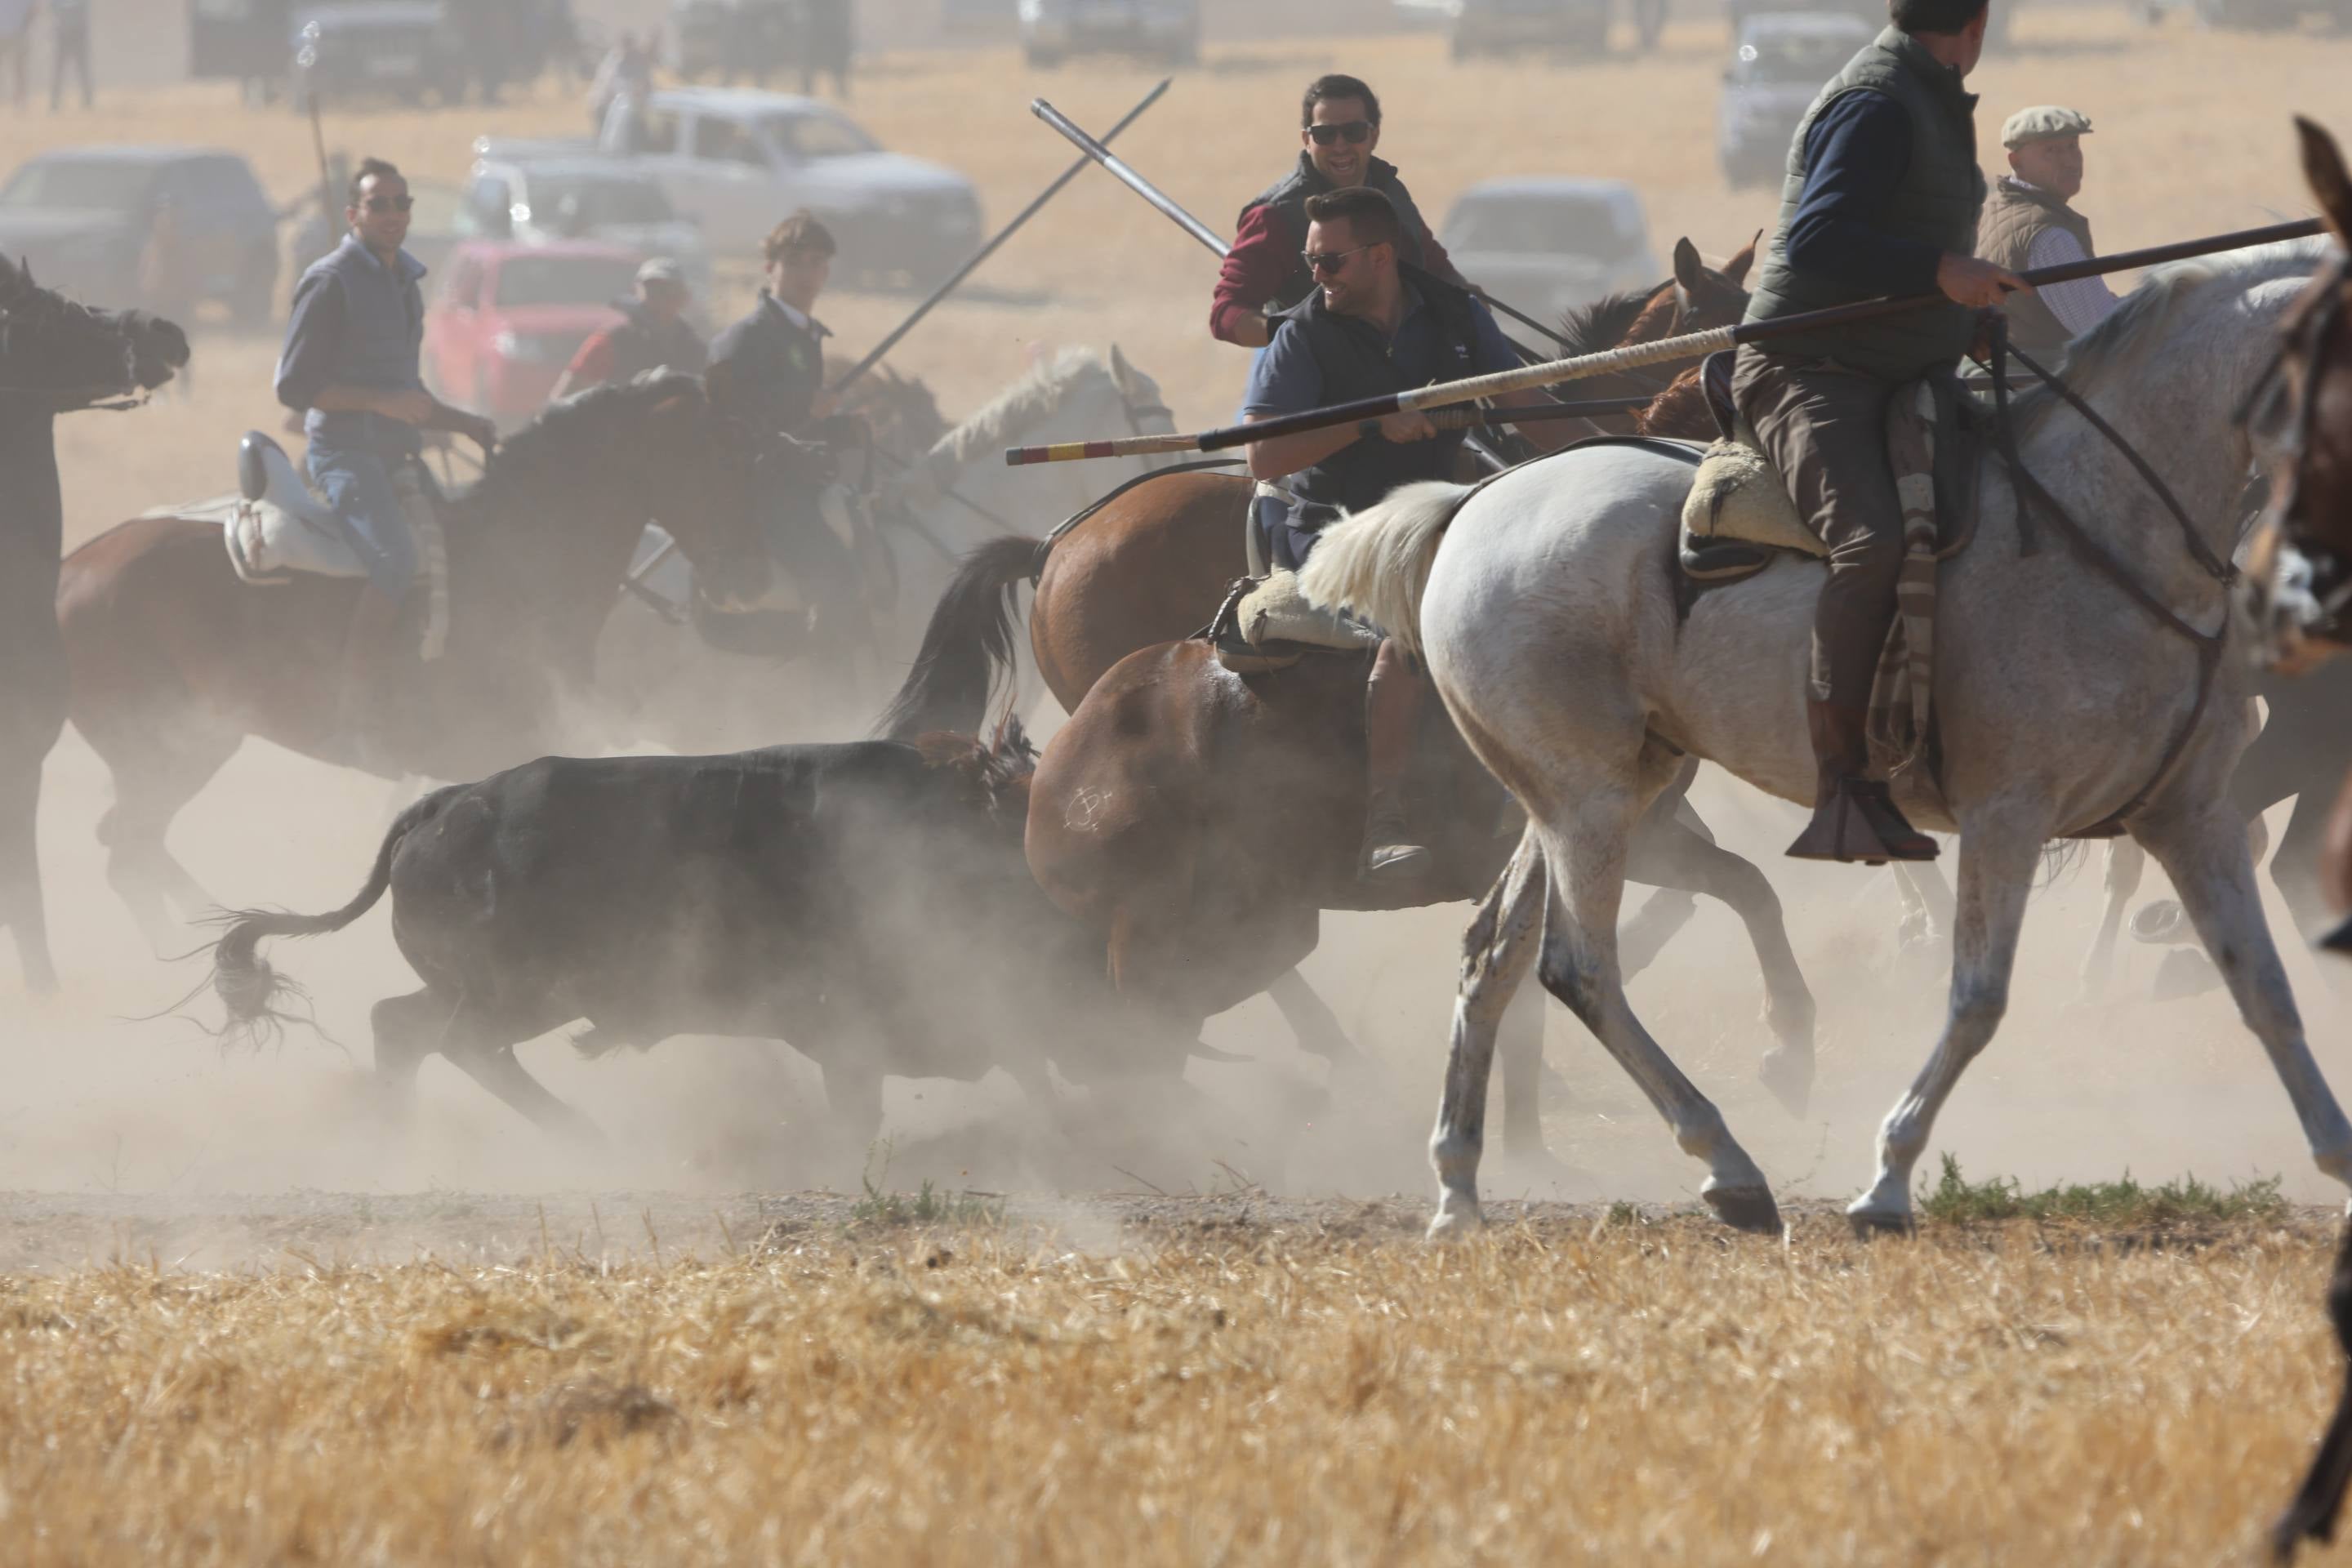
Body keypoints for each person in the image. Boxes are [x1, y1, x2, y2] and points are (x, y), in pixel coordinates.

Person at [1731, 0, 2025, 866]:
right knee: (1871, 546)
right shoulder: (1878, 101)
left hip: (1897, 365)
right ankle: (1846, 788)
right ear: (1975, 27)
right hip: (1810, 368)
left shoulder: (1925, 95)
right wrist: (1943, 273)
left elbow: (1898, 241)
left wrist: (1954, 318)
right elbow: (1821, 235)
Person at [1241, 186, 1570, 882]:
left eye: (1329, 263)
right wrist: (1370, 421)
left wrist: (1617, 449)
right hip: (1336, 535)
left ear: (1380, 256)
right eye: (1311, 264)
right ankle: (1384, 822)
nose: (1316, 278)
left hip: (1440, 518)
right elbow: (1264, 458)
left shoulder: (1455, 314)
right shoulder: (1301, 335)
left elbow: (1523, 402)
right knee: (1416, 623)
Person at [274, 157, 498, 762]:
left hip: (398, 450)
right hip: (342, 451)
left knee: (466, 548)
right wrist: (381, 401)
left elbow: (410, 398)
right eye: (380, 204)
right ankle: (353, 711)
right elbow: (294, 389)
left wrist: (466, 422)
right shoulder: (330, 280)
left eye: (402, 203)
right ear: (353, 215)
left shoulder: (404, 281)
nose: (394, 214)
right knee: (397, 558)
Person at [1210, 74, 1468, 351]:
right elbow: (1226, 312)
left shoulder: (1392, 194)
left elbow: (1441, 273)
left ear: (1374, 135)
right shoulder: (1274, 217)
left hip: (1410, 365)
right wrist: (1293, 337)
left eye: (1353, 132)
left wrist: (1472, 311)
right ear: (1306, 140)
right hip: (1318, 382)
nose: (1340, 145)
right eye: (1325, 134)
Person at [706, 210, 865, 630]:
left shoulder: (804, 335)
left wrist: (841, 427)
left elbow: (798, 426)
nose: (806, 273)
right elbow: (726, 415)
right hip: (761, 492)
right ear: (770, 268)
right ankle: (827, 680)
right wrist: (801, 405)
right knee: (834, 579)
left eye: (817, 263)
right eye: (795, 262)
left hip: (800, 482)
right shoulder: (743, 338)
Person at [1976, 105, 2118, 354]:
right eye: (2051, 151)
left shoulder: (1989, 210)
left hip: (2009, 380)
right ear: (2016, 161)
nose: (2070, 161)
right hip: (2041, 384)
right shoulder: (2048, 235)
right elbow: (2103, 330)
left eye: (2073, 146)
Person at [549, 256, 706, 402]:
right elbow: (564, 397)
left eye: (668, 290)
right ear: (636, 290)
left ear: (683, 297)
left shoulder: (694, 347)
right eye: (653, 289)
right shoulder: (614, 339)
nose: (661, 297)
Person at [586, 29, 652, 136]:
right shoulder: (614, 64)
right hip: (607, 109)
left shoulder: (636, 63)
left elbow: (642, 86)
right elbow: (613, 88)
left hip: (624, 111)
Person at [47, 0, 87, 110]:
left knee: (81, 69)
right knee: (60, 71)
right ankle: (55, 102)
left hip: (74, 34)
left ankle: (87, 100)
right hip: (65, 35)